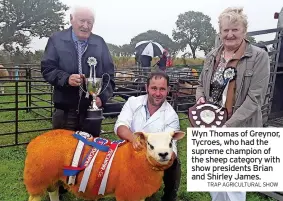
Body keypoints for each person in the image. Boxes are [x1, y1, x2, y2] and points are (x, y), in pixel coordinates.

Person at [195, 7, 270, 201]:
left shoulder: (259, 57)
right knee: (214, 183)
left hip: (240, 127)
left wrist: (227, 126)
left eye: (235, 30)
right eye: (225, 30)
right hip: (210, 127)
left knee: (235, 187)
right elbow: (200, 85)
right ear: (219, 33)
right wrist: (201, 99)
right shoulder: (212, 56)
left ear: (244, 31)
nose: (230, 34)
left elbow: (255, 98)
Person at [41, 6, 115, 133]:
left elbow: (109, 76)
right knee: (64, 150)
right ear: (71, 19)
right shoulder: (56, 40)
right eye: (82, 21)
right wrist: (66, 78)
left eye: (90, 22)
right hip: (65, 111)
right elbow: (47, 68)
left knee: (91, 150)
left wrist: (101, 98)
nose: (86, 26)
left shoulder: (99, 43)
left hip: (91, 113)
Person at [114, 71, 182, 201]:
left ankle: (169, 196)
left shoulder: (171, 116)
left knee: (175, 164)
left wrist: (163, 158)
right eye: (154, 88)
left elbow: (172, 150)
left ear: (168, 90)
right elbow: (120, 126)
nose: (157, 93)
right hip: (130, 152)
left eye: (162, 89)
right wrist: (133, 138)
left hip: (154, 158)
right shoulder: (133, 102)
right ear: (146, 88)